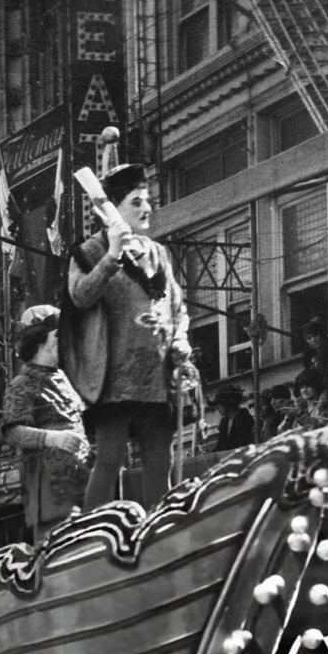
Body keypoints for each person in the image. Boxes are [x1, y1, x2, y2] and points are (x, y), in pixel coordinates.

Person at [62, 162, 192, 509]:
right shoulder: (88, 251)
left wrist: (180, 339)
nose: (146, 209)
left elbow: (177, 307)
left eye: (146, 201)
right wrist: (112, 255)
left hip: (156, 374)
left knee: (159, 461)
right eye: (136, 202)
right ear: (113, 208)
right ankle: (89, 536)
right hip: (113, 377)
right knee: (109, 461)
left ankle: (158, 536)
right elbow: (80, 296)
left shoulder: (157, 252)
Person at [0, 304, 90, 541]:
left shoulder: (63, 378)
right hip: (47, 482)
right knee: (54, 546)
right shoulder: (22, 383)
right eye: (59, 335)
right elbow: (13, 432)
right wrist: (53, 438)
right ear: (42, 341)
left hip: (78, 477)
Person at [210, 384, 255, 451]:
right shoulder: (224, 421)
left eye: (219, 404)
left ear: (228, 402)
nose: (217, 408)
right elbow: (220, 445)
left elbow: (243, 444)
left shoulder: (244, 418)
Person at [300, 318, 328, 387]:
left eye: (316, 335)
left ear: (322, 335)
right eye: (309, 338)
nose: (313, 340)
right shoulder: (308, 354)